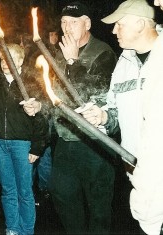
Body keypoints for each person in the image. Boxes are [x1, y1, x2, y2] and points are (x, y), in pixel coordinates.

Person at [24, 1, 117, 234]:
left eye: (73, 22)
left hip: (95, 144)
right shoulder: (58, 54)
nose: (67, 28)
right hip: (66, 140)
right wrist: (40, 105)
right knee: (61, 193)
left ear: (87, 23)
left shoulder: (103, 53)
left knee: (98, 207)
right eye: (64, 22)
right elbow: (55, 94)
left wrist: (74, 62)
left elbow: (94, 96)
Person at [82, 0, 163, 234]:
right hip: (135, 169)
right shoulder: (123, 65)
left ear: (140, 23)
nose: (113, 30)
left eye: (119, 24)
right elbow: (115, 112)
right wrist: (103, 116)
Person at [0, 43, 48, 235]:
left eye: (10, 59)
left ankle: (27, 230)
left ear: (20, 60)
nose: (5, 63)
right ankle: (13, 228)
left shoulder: (30, 81)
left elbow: (42, 117)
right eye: (2, 59)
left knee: (24, 191)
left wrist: (37, 148)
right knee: (8, 190)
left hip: (22, 144)